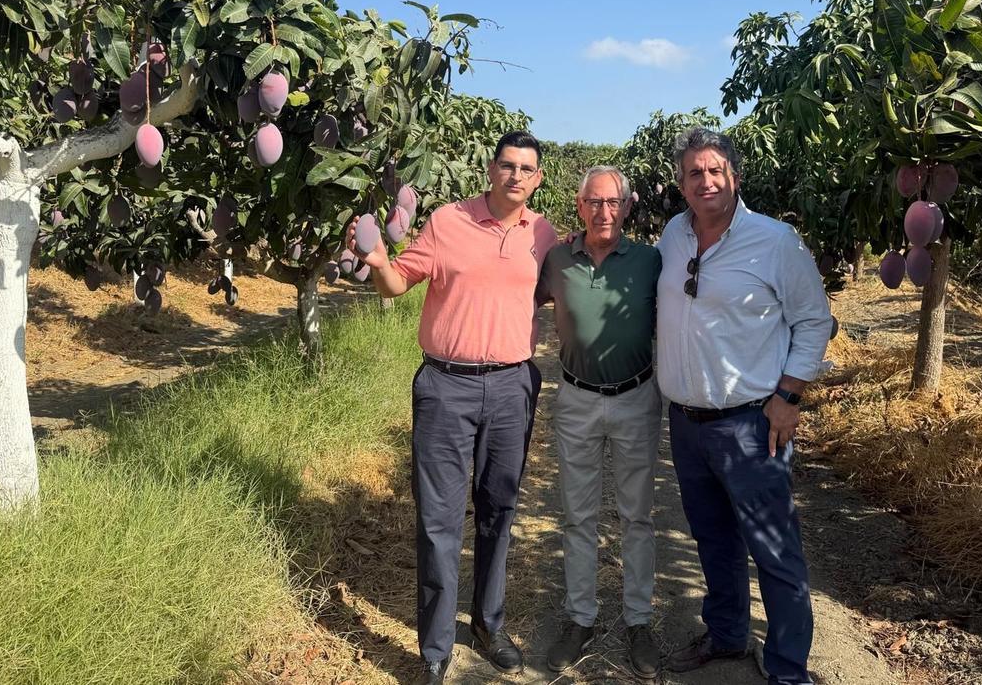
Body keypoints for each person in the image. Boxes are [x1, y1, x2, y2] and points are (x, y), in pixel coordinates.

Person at [349, 131, 558, 685]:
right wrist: (376, 259)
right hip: (447, 386)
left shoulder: (542, 234)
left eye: (527, 169)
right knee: (439, 521)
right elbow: (396, 285)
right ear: (491, 170)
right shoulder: (447, 222)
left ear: (537, 179)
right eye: (507, 165)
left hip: (513, 386)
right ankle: (437, 646)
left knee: (500, 510)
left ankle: (489, 625)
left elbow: (556, 297)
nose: (516, 175)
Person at [656, 127, 832, 685]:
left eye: (714, 170)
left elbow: (814, 320)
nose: (705, 181)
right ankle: (728, 635)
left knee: (774, 548)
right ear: (681, 184)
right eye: (693, 173)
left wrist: (788, 397)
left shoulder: (776, 240)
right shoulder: (672, 237)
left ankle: (786, 668)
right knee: (714, 539)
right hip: (686, 422)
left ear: (733, 176)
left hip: (752, 423)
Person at [536, 166, 663, 681]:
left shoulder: (652, 261)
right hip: (575, 397)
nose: (604, 212)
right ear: (579, 204)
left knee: (636, 516)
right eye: (594, 202)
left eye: (613, 202)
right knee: (578, 514)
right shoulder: (558, 259)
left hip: (636, 397)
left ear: (628, 207)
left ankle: (639, 621)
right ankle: (580, 618)